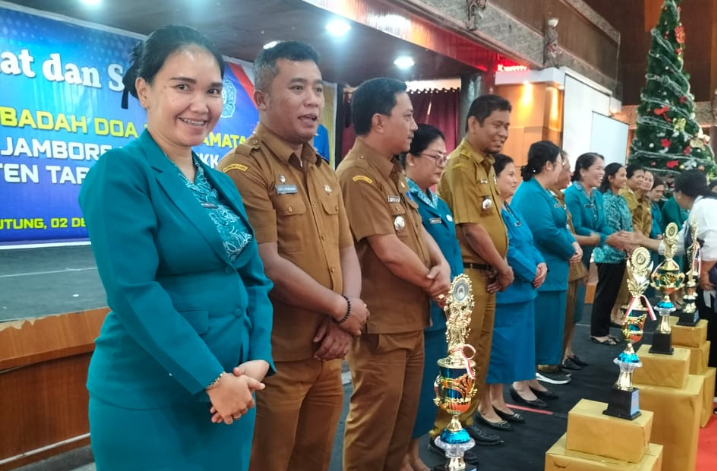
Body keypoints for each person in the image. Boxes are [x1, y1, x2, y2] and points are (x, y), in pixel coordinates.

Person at [78, 26, 273, 471]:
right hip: (153, 395)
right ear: (144, 90)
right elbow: (133, 291)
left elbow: (254, 279)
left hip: (234, 390)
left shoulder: (220, 182)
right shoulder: (121, 172)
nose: (201, 105)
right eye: (182, 87)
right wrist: (211, 379)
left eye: (213, 91)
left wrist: (259, 357)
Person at [217, 41, 368, 471]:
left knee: (314, 461)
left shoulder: (323, 169)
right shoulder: (244, 169)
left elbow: (346, 248)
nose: (313, 100)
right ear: (261, 99)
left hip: (328, 352)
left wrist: (347, 314)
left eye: (318, 89)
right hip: (275, 361)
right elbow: (267, 265)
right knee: (268, 463)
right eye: (297, 88)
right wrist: (343, 310)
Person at [337, 78, 451, 471]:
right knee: (374, 427)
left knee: (401, 424)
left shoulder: (391, 173)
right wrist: (434, 285)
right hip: (382, 326)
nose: (415, 126)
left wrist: (442, 264)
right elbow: (388, 250)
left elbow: (417, 230)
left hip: (410, 320)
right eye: (408, 116)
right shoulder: (357, 175)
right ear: (379, 121)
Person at [435, 94, 513, 448]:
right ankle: (446, 428)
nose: (503, 133)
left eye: (507, 126)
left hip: (487, 274)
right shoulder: (461, 165)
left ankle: (465, 419)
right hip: (468, 276)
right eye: (497, 124)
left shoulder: (485, 165)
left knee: (478, 353)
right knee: (461, 353)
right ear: (473, 123)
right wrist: (503, 266)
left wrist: (497, 267)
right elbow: (470, 228)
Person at [399, 124, 467, 471]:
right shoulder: (404, 198)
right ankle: (401, 457)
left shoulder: (437, 202)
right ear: (411, 158)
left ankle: (414, 455)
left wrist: (458, 297)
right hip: (423, 306)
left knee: (430, 390)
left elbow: (452, 254)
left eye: (445, 157)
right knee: (411, 393)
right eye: (435, 156)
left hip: (446, 310)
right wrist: (443, 295)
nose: (442, 163)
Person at [483, 154, 547, 426]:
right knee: (496, 352)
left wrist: (541, 263)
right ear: (493, 178)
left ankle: (499, 399)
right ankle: (486, 404)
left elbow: (528, 242)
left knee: (510, 352)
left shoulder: (510, 208)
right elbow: (505, 248)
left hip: (523, 291)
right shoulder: (490, 211)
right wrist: (532, 272)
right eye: (509, 174)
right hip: (506, 292)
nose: (515, 179)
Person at [512, 141, 582, 388]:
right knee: (537, 330)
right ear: (549, 165)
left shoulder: (544, 192)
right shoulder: (531, 192)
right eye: (561, 164)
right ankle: (522, 383)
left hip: (555, 272)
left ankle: (531, 379)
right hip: (543, 272)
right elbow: (544, 231)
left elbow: (561, 226)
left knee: (546, 331)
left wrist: (573, 242)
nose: (563, 169)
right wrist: (569, 248)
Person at [564, 154, 632, 348]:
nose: (602, 172)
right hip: (572, 256)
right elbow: (577, 227)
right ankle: (563, 353)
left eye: (603, 168)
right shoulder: (572, 194)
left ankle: (569, 352)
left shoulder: (597, 195)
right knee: (570, 307)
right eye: (598, 168)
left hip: (587, 255)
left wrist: (618, 237)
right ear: (583, 171)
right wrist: (608, 239)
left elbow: (602, 225)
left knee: (577, 308)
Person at [665, 170, 717, 390]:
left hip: (711, 279)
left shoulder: (703, 207)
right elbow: (678, 245)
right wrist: (640, 240)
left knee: (713, 330)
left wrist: (703, 272)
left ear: (680, 193)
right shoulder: (700, 207)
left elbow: (713, 242)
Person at [550, 154, 589, 373]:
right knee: (559, 319)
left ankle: (564, 354)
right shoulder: (546, 197)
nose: (569, 173)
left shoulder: (560, 197)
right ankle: (552, 362)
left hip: (573, 264)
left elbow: (567, 230)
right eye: (565, 168)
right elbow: (550, 232)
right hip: (559, 266)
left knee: (571, 316)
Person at [591, 163, 633, 345]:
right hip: (608, 253)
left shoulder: (620, 199)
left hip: (621, 252)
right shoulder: (605, 199)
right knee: (604, 295)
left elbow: (627, 224)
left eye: (625, 175)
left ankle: (605, 331)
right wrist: (624, 243)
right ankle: (598, 332)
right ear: (610, 178)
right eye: (621, 175)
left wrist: (630, 243)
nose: (625, 178)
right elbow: (611, 227)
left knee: (611, 295)